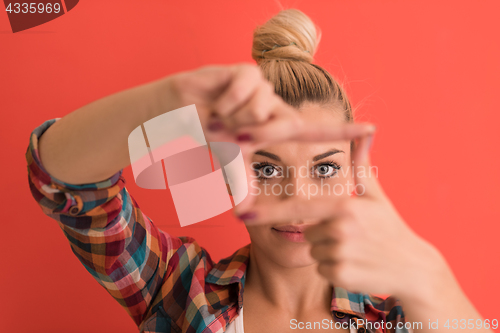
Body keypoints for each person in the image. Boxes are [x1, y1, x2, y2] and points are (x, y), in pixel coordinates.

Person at [26, 9, 493, 333]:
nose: (298, 197)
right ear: (229, 175)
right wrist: (168, 97)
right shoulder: (179, 291)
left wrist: (427, 274)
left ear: (355, 175)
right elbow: (63, 181)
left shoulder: (399, 314)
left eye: (325, 168)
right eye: (267, 170)